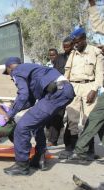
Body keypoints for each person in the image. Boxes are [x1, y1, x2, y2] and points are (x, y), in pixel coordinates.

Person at [0, 57, 75, 176]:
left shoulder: (16, 71)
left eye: (8, 73)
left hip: (55, 93)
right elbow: (30, 100)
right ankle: (40, 159)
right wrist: (12, 108)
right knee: (36, 125)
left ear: (10, 68)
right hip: (65, 91)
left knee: (22, 127)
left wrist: (9, 115)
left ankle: (22, 165)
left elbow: (23, 96)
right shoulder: (33, 69)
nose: (10, 77)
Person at [68, 0, 104, 161]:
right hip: (74, 87)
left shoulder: (95, 51)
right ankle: (75, 149)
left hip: (89, 87)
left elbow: (100, 73)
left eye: (77, 42)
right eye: (73, 43)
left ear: (83, 39)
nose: (75, 45)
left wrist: (94, 89)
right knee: (72, 118)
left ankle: (87, 151)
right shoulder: (73, 53)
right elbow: (67, 70)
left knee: (90, 119)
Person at [46, 37, 74, 146]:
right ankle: (53, 140)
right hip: (62, 90)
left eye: (68, 46)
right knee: (57, 115)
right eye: (64, 47)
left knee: (73, 117)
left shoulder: (76, 57)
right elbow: (55, 74)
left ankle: (70, 142)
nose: (66, 49)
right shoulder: (60, 58)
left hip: (75, 88)